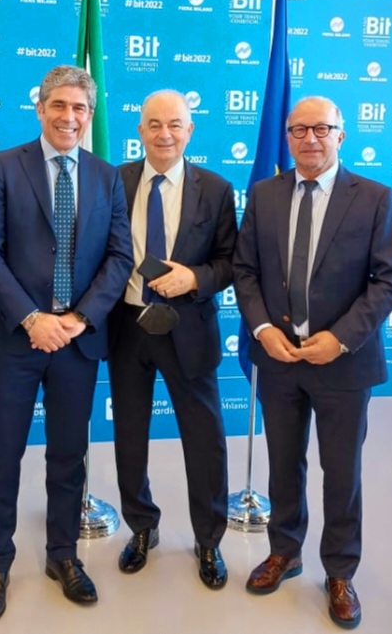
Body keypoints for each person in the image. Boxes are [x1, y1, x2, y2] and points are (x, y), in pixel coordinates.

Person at [233, 96, 392, 629]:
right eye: (299, 130)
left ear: (340, 135)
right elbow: (245, 270)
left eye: (321, 129)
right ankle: (285, 551)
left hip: (343, 364)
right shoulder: (264, 194)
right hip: (280, 358)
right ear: (287, 137)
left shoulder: (374, 197)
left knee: (341, 471)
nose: (310, 138)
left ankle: (339, 571)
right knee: (284, 464)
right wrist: (263, 330)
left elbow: (390, 280)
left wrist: (342, 339)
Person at [0, 65, 133, 622]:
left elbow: (120, 257)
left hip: (77, 343)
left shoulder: (107, 176)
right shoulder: (2, 167)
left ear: (90, 115)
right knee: (3, 454)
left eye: (79, 108)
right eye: (58, 105)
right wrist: (31, 318)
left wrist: (80, 318)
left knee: (68, 454)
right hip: (16, 340)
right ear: (39, 108)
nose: (69, 117)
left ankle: (62, 554)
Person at [107, 90, 236, 589]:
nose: (165, 134)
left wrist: (195, 278)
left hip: (189, 331)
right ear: (140, 130)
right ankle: (142, 527)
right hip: (128, 327)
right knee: (129, 435)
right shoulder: (114, 181)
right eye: (155, 124)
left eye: (175, 124)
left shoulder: (216, 189)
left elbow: (229, 262)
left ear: (190, 131)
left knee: (205, 440)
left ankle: (208, 539)